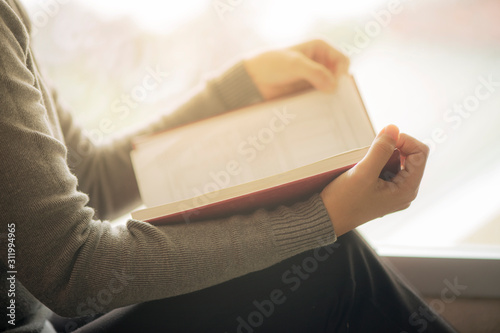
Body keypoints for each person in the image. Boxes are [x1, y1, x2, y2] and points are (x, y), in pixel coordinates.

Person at [0, 0, 457, 332]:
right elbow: (75, 268)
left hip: (43, 319)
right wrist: (320, 219)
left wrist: (240, 89)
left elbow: (87, 181)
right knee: (327, 258)